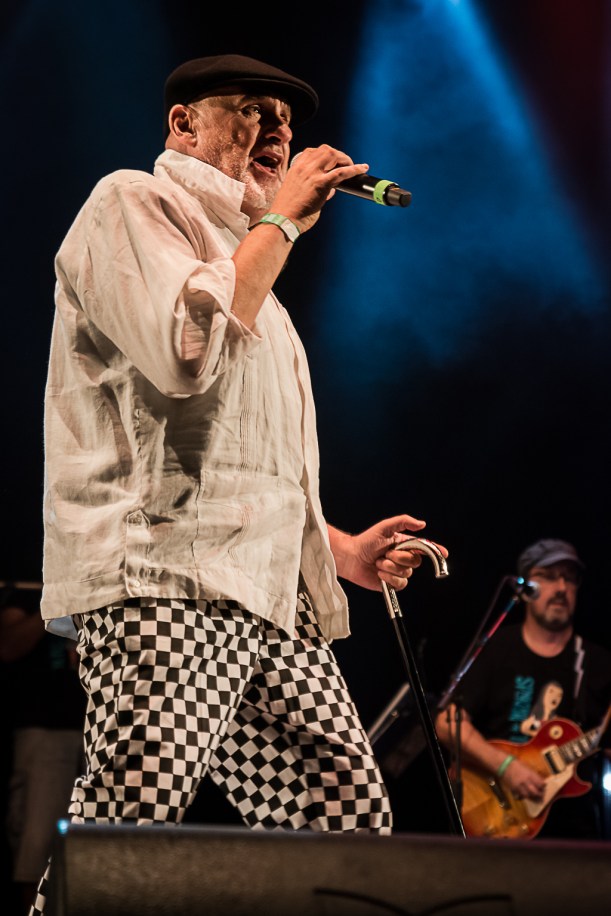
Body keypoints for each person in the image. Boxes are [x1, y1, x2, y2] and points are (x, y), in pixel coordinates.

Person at [30, 54, 447, 914]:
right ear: (183, 124)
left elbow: (240, 460)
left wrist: (338, 551)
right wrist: (284, 219)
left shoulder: (254, 266)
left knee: (345, 827)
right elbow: (185, 357)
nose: (278, 132)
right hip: (162, 583)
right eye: (252, 110)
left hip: (269, 598)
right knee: (130, 833)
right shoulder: (131, 203)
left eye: (286, 122)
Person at [435, 538, 611, 841]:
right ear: (526, 585)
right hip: (495, 814)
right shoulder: (498, 649)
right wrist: (505, 766)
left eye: (569, 578)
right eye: (548, 576)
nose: (561, 587)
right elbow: (447, 723)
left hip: (573, 832)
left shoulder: (597, 662)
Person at [0, 583, 85, 914]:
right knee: (37, 846)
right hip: (47, 728)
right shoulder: (31, 586)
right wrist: (60, 592)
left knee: (104, 834)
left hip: (105, 724)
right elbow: (8, 645)